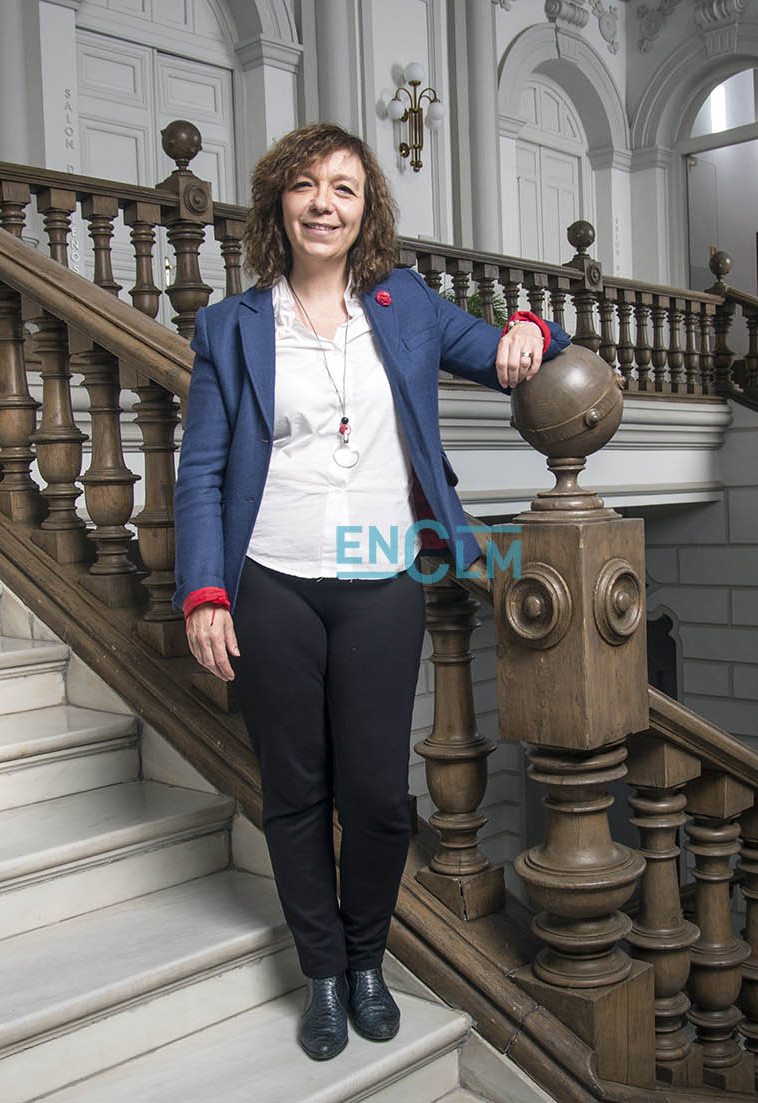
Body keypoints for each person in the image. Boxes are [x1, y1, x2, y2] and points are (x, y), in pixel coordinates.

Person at [173, 123, 569, 1061]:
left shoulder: (407, 306)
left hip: (383, 576)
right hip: (269, 581)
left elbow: (517, 349)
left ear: (365, 211)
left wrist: (532, 328)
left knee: (381, 797)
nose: (324, 203)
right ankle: (323, 974)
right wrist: (204, 595)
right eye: (306, 185)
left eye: (344, 189)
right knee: (297, 792)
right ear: (279, 201)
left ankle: (367, 958)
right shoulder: (232, 327)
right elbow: (200, 476)